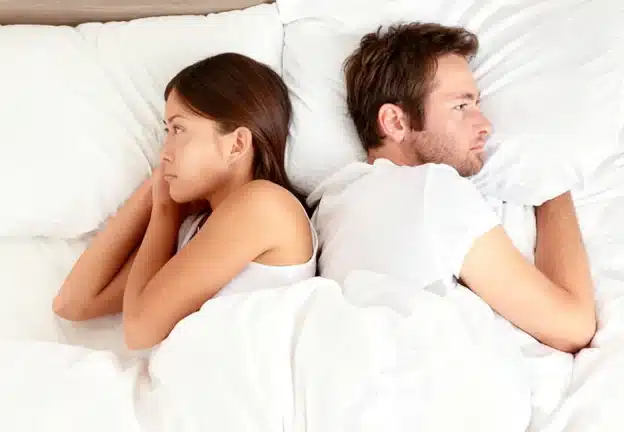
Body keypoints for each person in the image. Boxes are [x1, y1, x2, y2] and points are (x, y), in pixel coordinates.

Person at [311, 23, 595, 353]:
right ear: (395, 122)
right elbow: (572, 327)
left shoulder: (330, 206)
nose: (485, 125)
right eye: (461, 107)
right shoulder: (431, 190)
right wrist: (553, 188)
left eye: (477, 104)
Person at [52, 53, 316, 350]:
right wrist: (157, 194)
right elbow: (73, 303)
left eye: (178, 129)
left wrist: (164, 209)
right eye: (167, 132)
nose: (164, 152)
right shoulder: (197, 227)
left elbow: (139, 331)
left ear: (237, 145)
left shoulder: (264, 205)